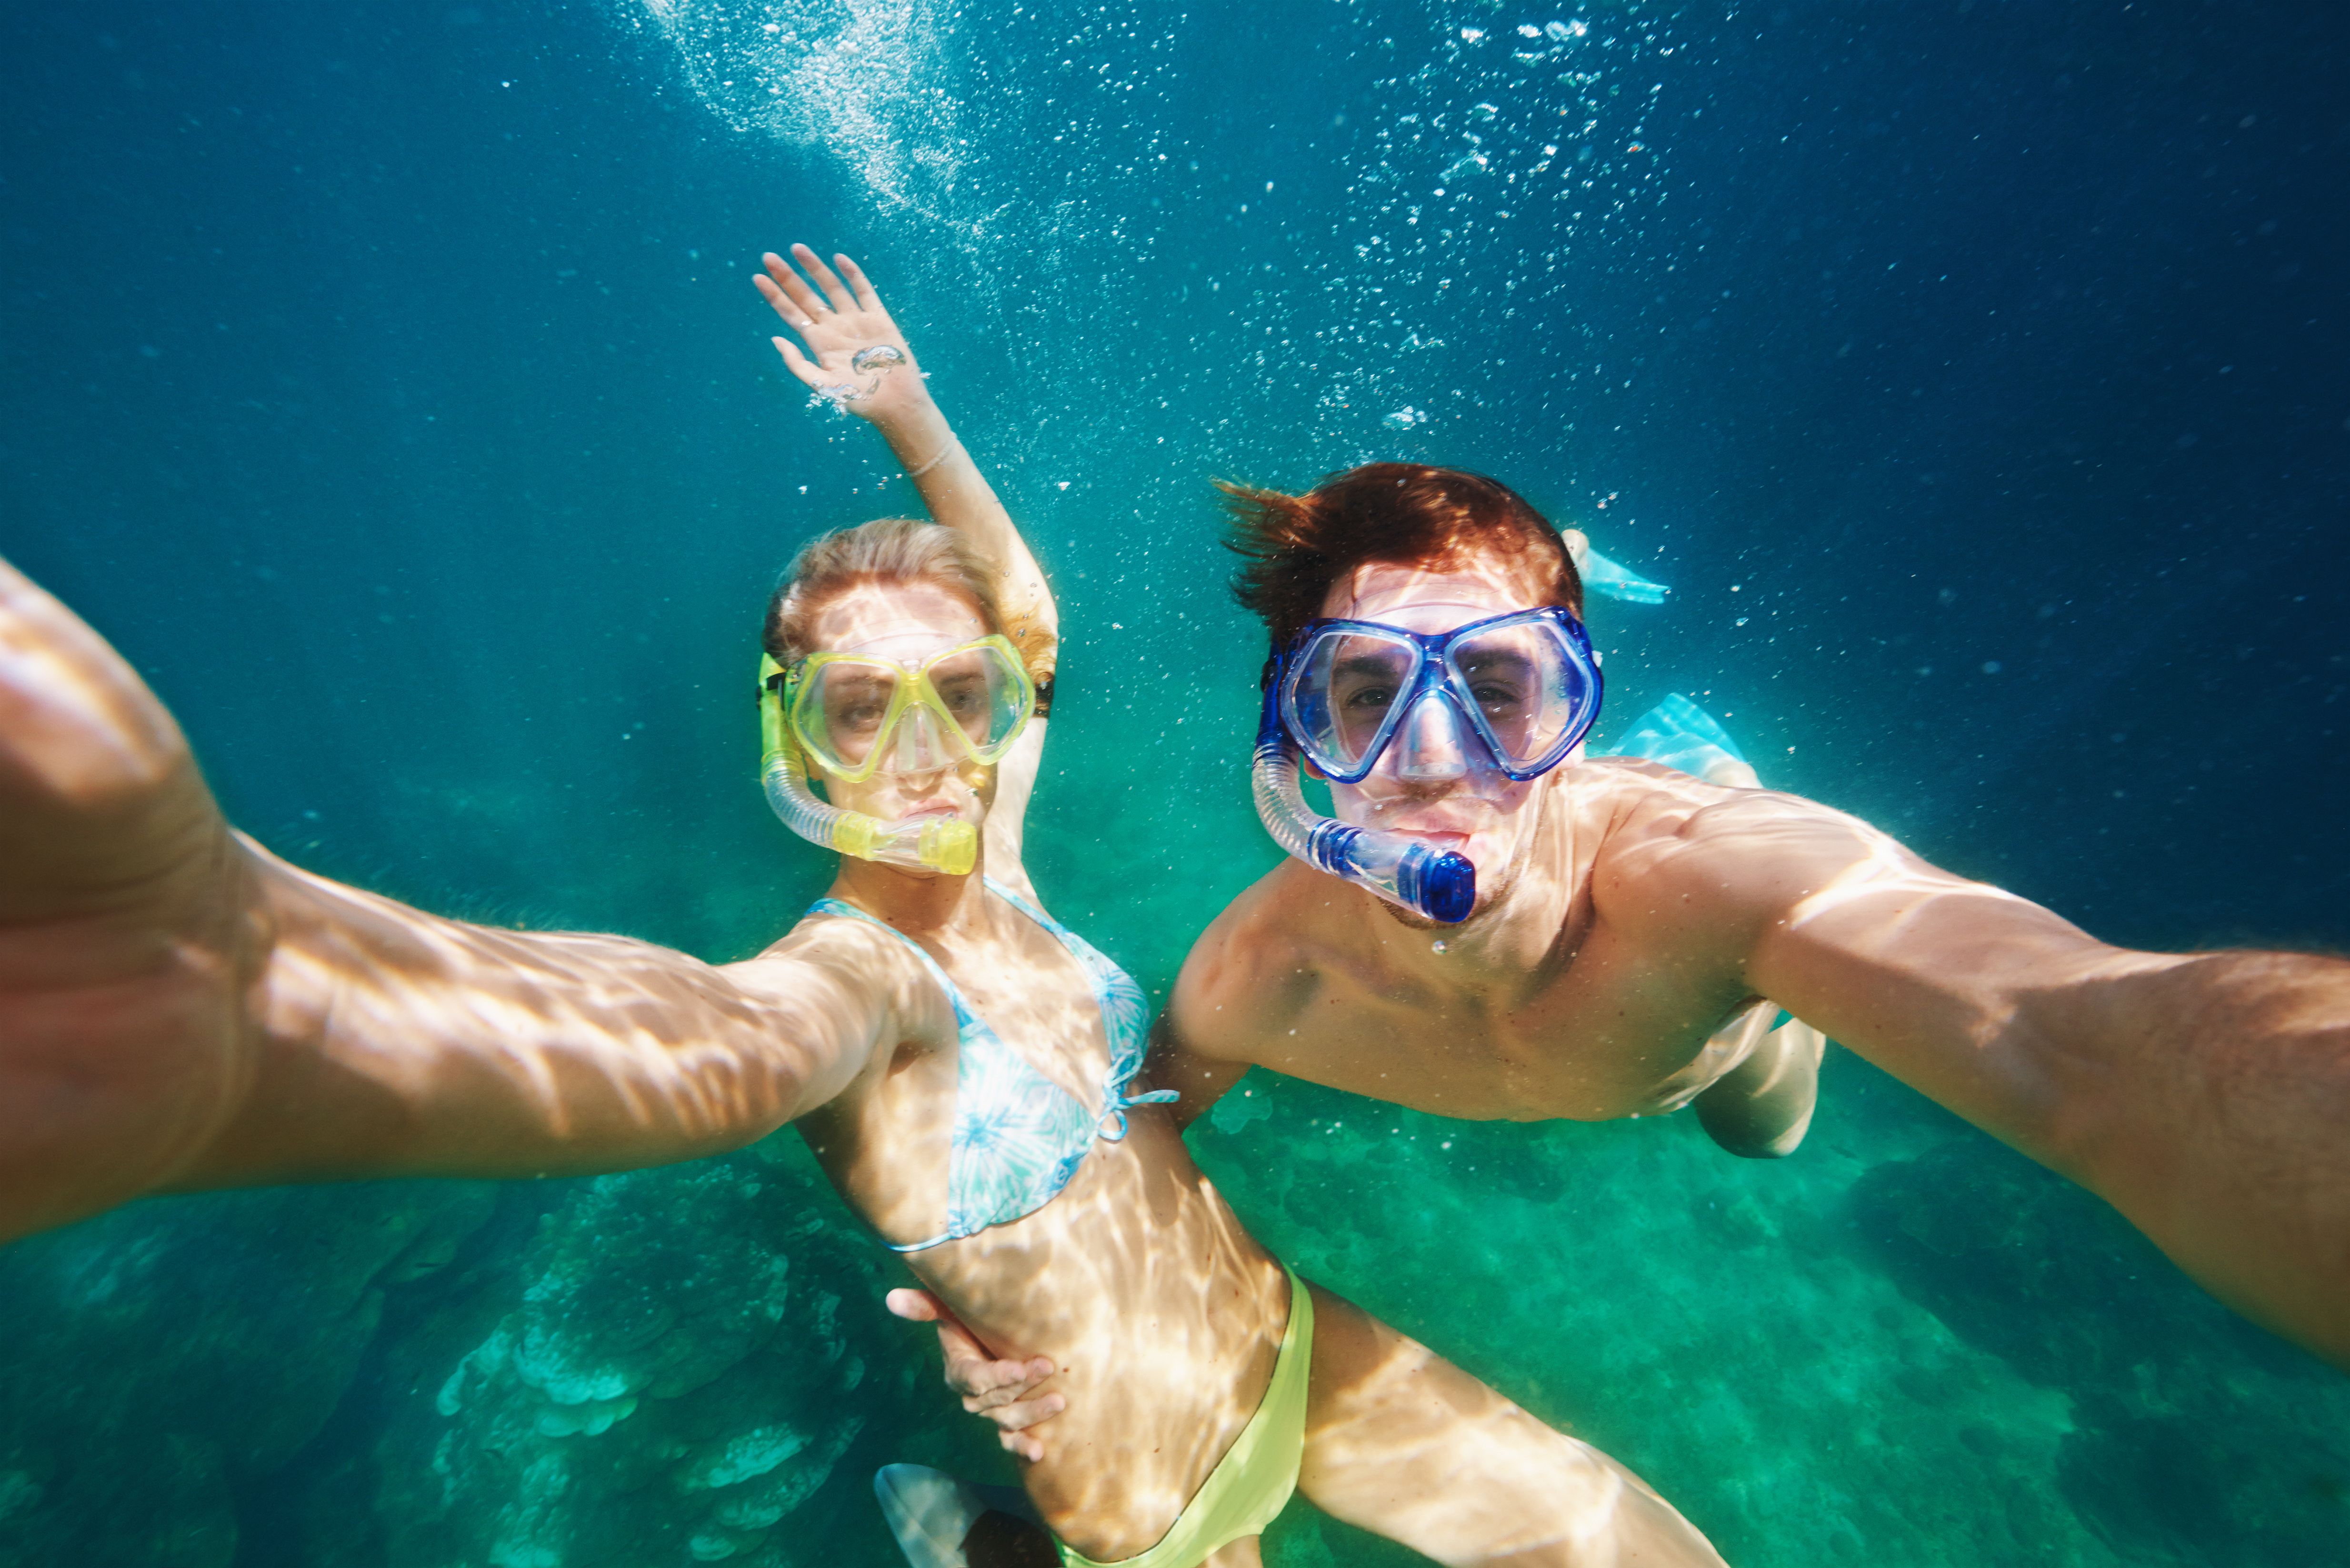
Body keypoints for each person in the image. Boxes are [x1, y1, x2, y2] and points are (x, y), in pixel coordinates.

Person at [0, 250, 1731, 1568]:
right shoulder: (850, 983)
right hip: (1160, 1514)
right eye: (854, 708)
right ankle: (979, 1540)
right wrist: (272, 1003)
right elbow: (699, 1044)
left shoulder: (1000, 857)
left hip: (1294, 1342)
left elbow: (1029, 615)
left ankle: (956, 1524)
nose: (922, 754)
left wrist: (906, 413)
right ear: (787, 736)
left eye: (956, 700)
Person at [921, 461, 2349, 1456]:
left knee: (1765, 1139)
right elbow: (1129, 1152)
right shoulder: (1261, 979)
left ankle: (1699, 750)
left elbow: (2101, 1044)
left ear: (1573, 720)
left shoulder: (1714, 891)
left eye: (1498, 690)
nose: (1431, 762)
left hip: (1715, 1063)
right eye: (1362, 694)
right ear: (1292, 743)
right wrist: (1034, 1322)